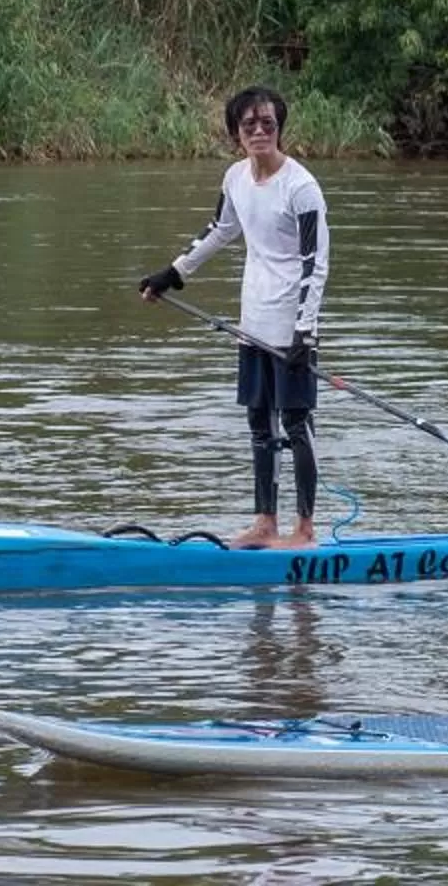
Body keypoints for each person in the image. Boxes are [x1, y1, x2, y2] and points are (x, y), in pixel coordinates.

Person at [139, 86, 329, 550]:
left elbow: (315, 263)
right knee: (259, 423)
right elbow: (220, 230)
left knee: (296, 425)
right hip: (252, 323)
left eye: (268, 123)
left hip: (291, 329)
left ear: (279, 129)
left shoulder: (302, 188)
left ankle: (303, 530)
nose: (260, 131)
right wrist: (173, 274)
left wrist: (304, 330)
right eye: (250, 125)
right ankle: (265, 523)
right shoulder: (235, 179)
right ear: (235, 134)